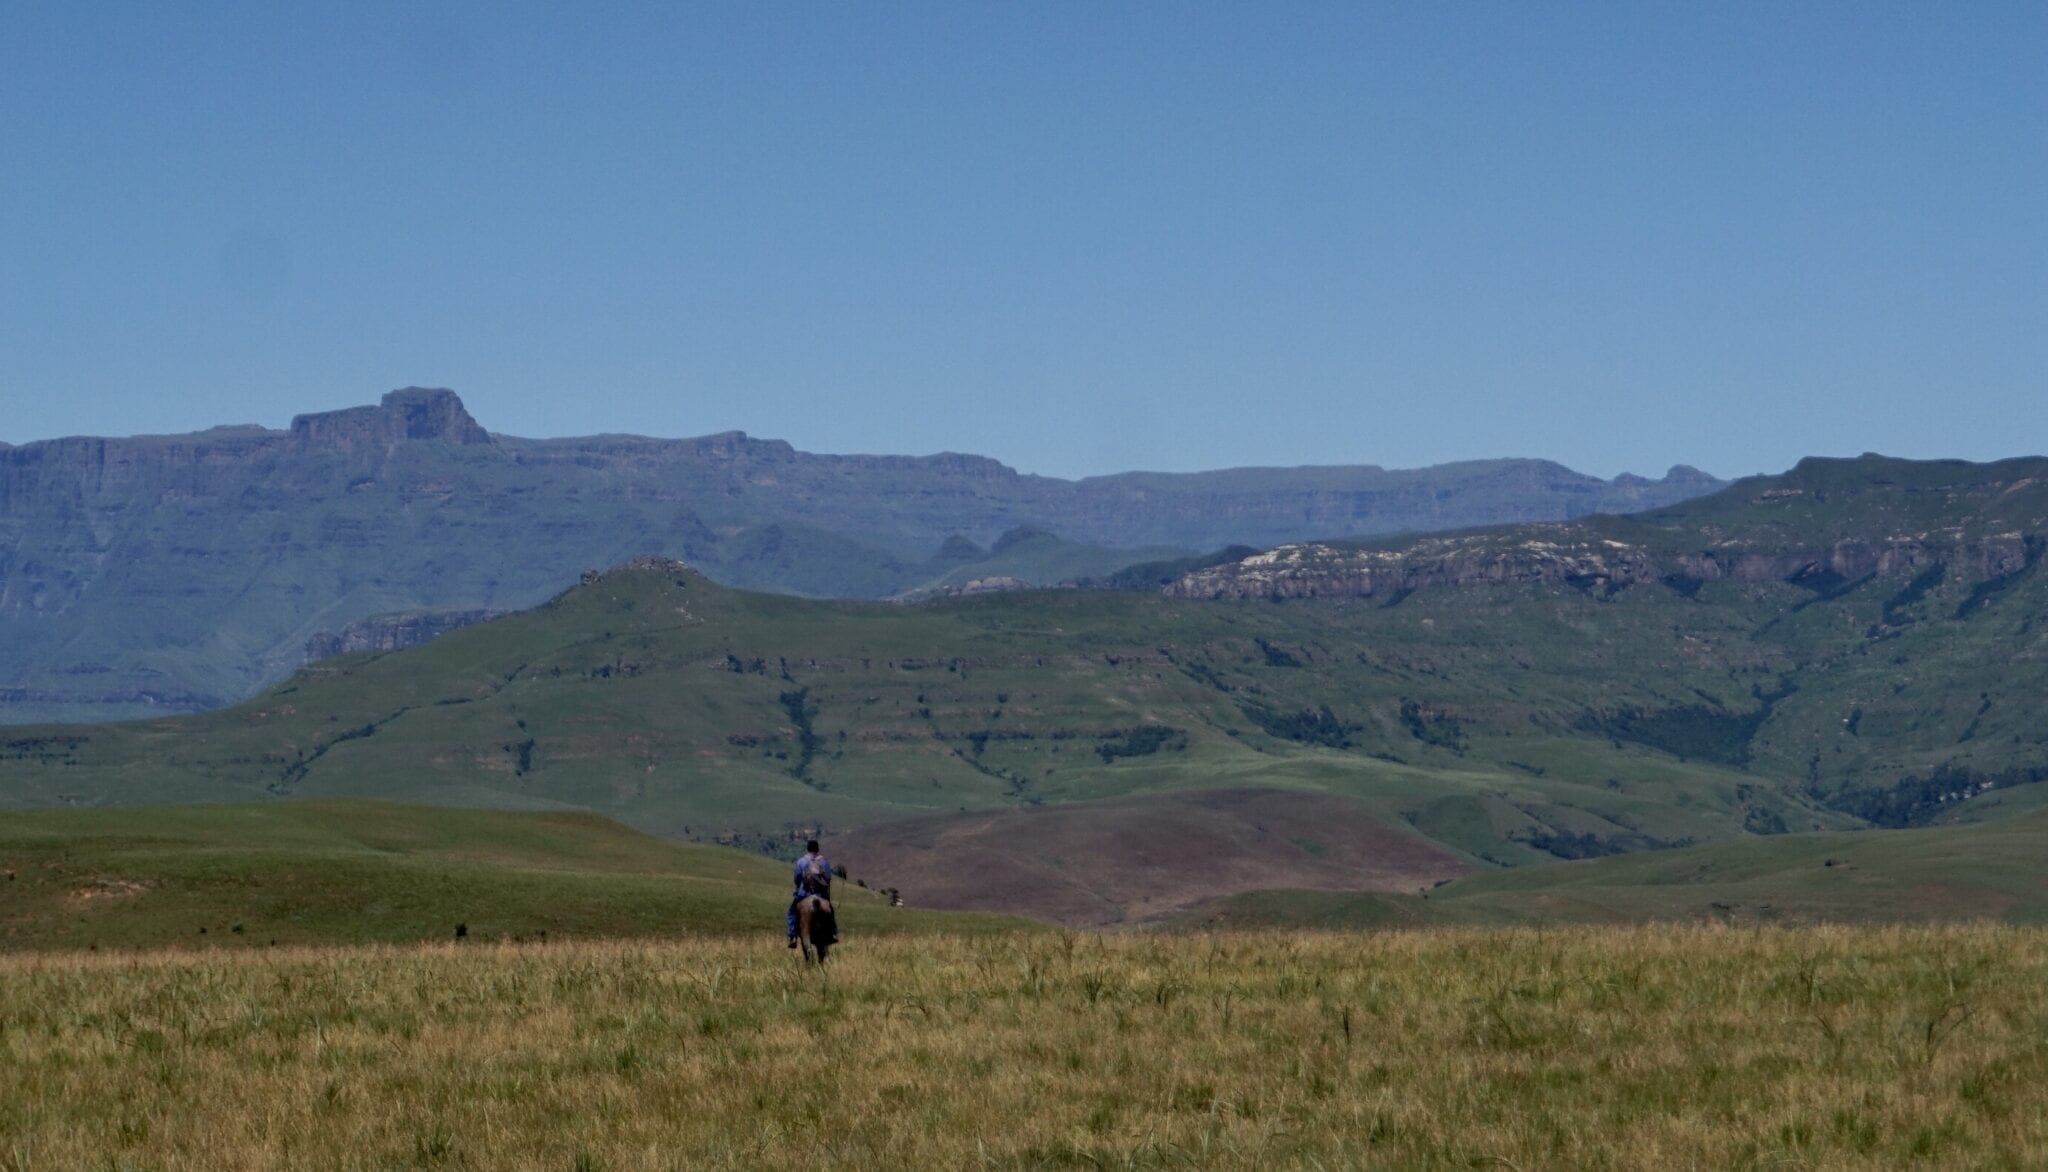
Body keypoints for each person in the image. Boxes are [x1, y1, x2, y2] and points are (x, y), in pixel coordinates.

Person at [787, 838, 835, 947]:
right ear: (817, 849)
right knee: (830, 911)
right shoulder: (824, 861)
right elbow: (828, 877)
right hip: (821, 895)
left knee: (791, 913)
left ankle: (793, 936)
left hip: (804, 894)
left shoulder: (801, 861)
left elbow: (797, 878)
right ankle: (833, 933)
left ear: (808, 849)